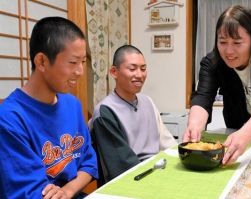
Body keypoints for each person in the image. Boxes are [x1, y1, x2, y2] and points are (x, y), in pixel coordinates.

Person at [0, 17, 98, 198]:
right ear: (42, 61)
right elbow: (31, 193)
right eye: (73, 62)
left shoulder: (72, 105)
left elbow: (89, 163)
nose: (80, 72)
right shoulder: (10, 119)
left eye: (83, 62)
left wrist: (67, 191)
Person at [183, 5, 251, 165]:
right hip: (237, 128)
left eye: (237, 42)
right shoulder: (212, 62)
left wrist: (244, 135)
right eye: (222, 42)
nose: (228, 51)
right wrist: (194, 126)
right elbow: (202, 97)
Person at [89, 45, 177, 182]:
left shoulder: (148, 101)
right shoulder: (105, 112)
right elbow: (123, 166)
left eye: (143, 69)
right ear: (114, 72)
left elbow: (166, 142)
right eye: (132, 69)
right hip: (133, 179)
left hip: (157, 171)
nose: (140, 75)